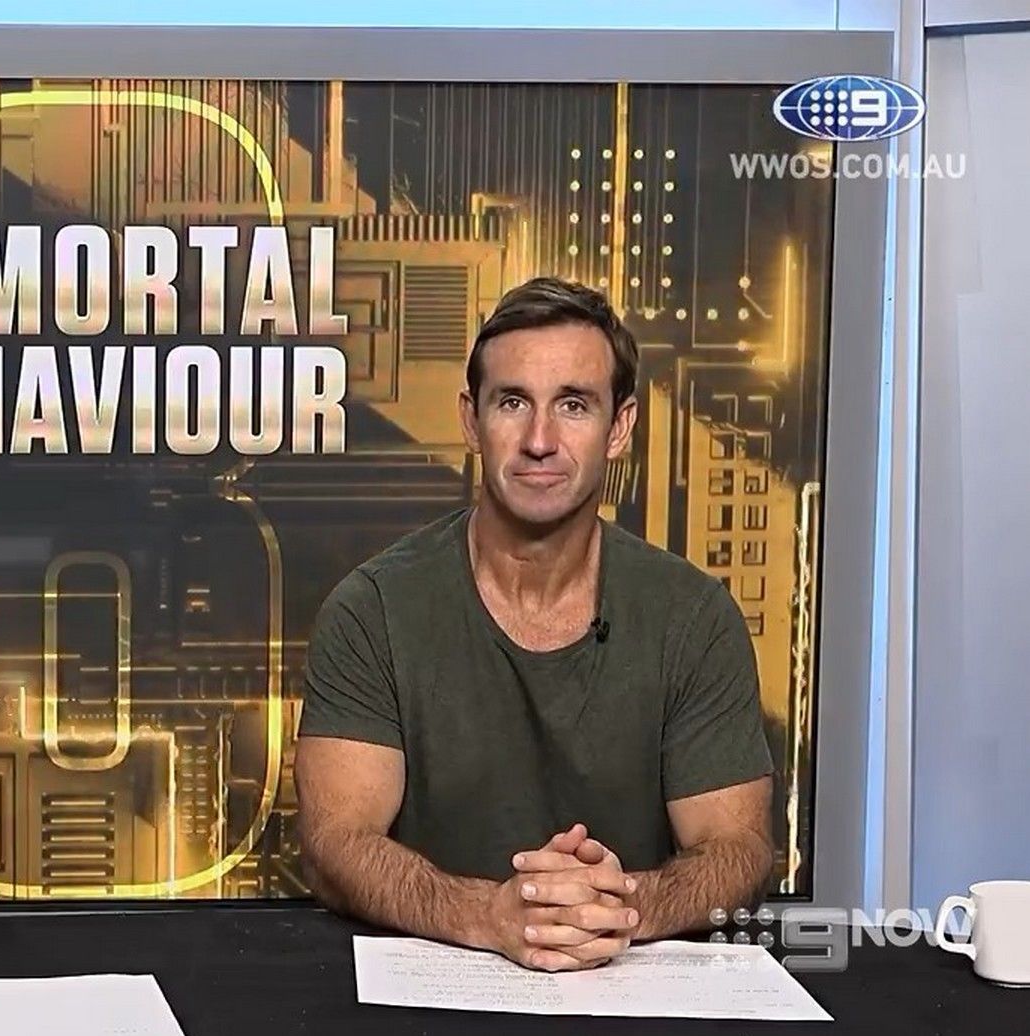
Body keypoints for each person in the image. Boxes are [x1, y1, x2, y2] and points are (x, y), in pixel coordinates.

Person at [295, 276, 774, 972]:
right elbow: (334, 844)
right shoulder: (372, 611)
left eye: (573, 405)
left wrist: (614, 908)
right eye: (512, 402)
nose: (540, 440)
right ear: (471, 421)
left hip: (628, 998)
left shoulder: (693, 619)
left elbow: (739, 849)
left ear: (620, 428)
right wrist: (486, 915)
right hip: (431, 1002)